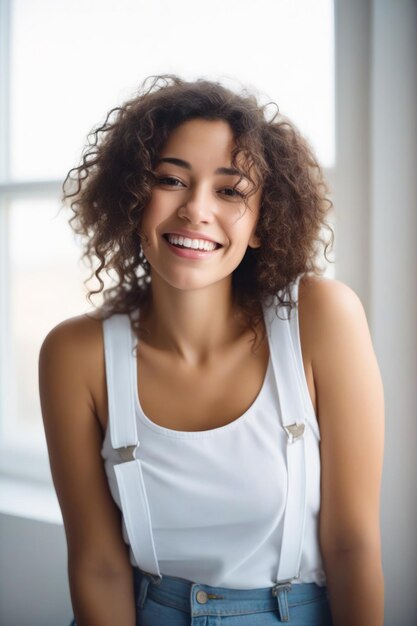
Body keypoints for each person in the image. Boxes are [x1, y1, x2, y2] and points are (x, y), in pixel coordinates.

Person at [38, 74, 385, 626]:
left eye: (229, 190)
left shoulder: (322, 319)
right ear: (133, 199)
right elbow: (98, 564)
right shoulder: (74, 353)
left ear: (261, 224)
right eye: (171, 180)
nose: (196, 209)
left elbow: (353, 545)